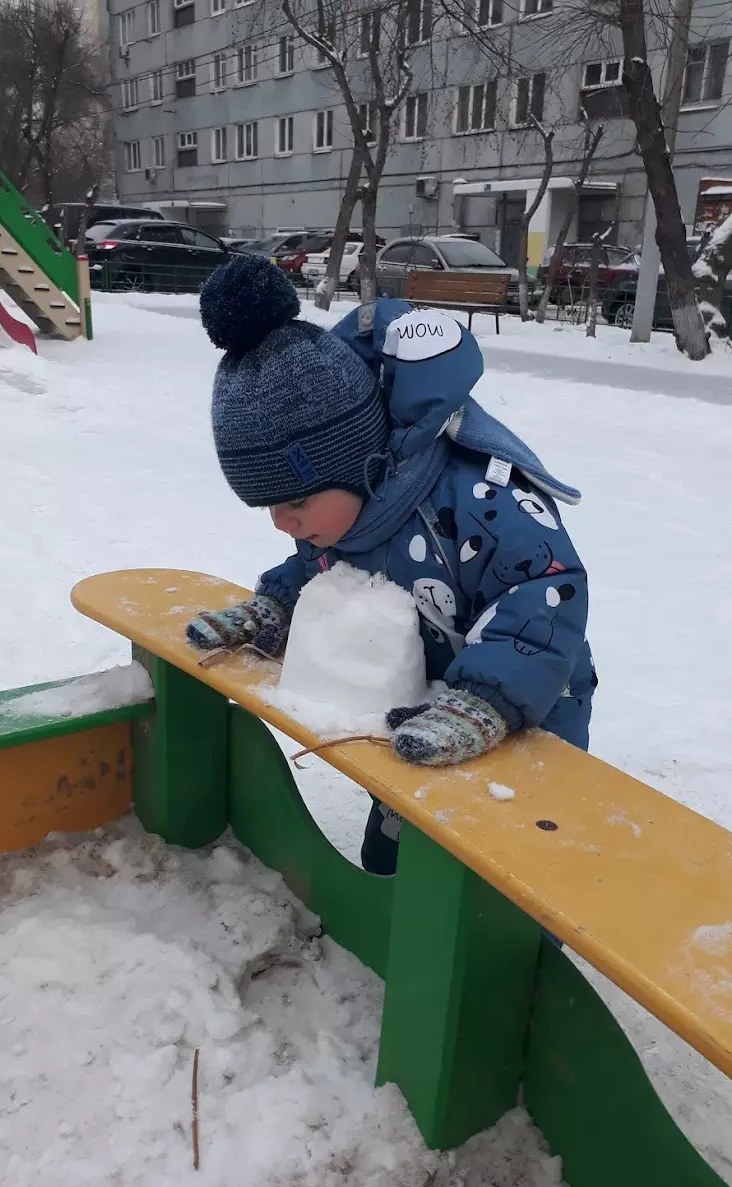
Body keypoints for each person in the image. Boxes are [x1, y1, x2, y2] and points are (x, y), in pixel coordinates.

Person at [187, 256, 596, 875]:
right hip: (421, 708)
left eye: (293, 500)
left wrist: (485, 703)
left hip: (528, 708)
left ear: (357, 460)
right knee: (396, 862)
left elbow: (546, 586)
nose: (281, 520)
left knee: (508, 864)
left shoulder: (481, 498)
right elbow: (325, 571)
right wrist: (278, 610)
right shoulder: (352, 509)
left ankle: (524, 951)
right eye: (268, 505)